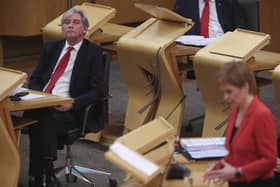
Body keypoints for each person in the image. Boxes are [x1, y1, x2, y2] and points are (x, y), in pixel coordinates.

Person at [27, 8, 104, 187]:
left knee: (39, 120)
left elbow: (98, 91)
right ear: (62, 28)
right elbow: (36, 79)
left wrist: (73, 103)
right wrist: (39, 96)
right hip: (43, 102)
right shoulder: (51, 48)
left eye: (76, 22)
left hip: (70, 108)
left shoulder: (93, 53)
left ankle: (39, 176)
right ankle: (47, 172)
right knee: (39, 115)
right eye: (67, 23)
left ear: (85, 29)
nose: (70, 25)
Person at [203, 61, 277, 187]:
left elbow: (270, 160)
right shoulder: (236, 110)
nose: (225, 98)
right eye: (224, 93)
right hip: (237, 181)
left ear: (245, 87)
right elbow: (236, 152)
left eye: (229, 92)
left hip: (258, 183)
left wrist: (238, 172)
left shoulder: (261, 115)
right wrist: (219, 166)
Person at [173, 0, 247, 38]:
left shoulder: (228, 2)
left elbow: (241, 28)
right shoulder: (184, 2)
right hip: (196, 49)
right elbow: (175, 25)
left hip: (225, 45)